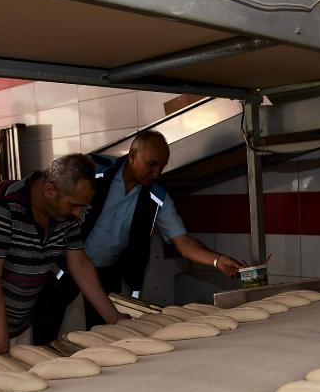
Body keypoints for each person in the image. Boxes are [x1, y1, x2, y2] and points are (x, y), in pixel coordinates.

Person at [33, 130, 242, 344]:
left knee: (103, 337)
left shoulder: (156, 197)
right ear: (132, 155)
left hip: (106, 272)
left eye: (162, 166)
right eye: (152, 164)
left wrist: (217, 260)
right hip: (65, 268)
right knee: (45, 326)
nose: (157, 173)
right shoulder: (95, 172)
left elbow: (184, 243)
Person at [0, 153, 125, 365]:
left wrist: (114, 318)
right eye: (74, 205)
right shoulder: (1, 202)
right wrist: (0, 338)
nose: (78, 213)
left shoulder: (66, 214)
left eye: (82, 205)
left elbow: (80, 264)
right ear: (49, 190)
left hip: (18, 322)